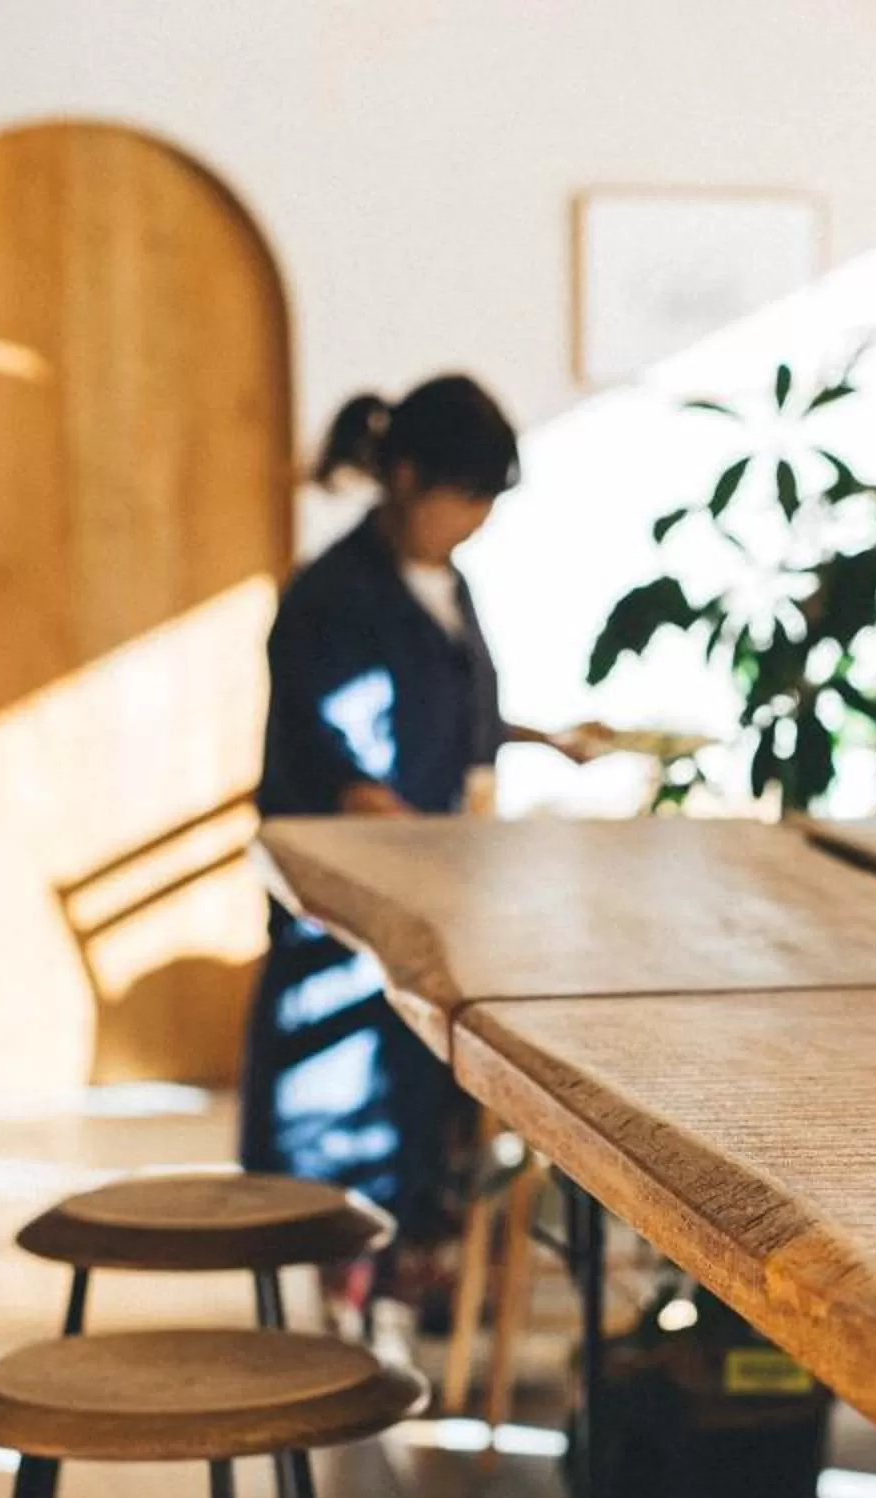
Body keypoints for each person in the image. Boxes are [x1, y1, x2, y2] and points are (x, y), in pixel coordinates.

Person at [239, 375, 599, 1307]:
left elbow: (453, 716)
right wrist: (470, 859)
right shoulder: (332, 600)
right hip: (353, 904)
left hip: (431, 882)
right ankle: (347, 1295)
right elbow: (357, 779)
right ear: (405, 476)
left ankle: (400, 1272)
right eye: (467, 497)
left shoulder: (444, 583)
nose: (476, 520)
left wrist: (540, 739)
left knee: (421, 1094)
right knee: (345, 1108)